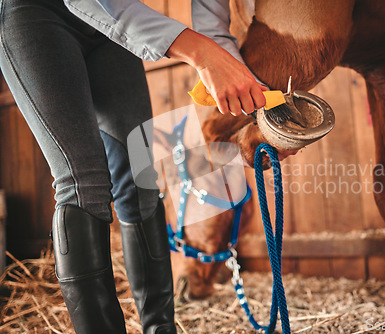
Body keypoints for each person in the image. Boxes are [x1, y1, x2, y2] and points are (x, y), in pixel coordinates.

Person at [0, 0, 265, 332]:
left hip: (109, 30)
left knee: (140, 182)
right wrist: (200, 51)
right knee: (83, 184)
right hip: (37, 14)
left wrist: (237, 83)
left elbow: (210, 14)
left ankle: (161, 327)